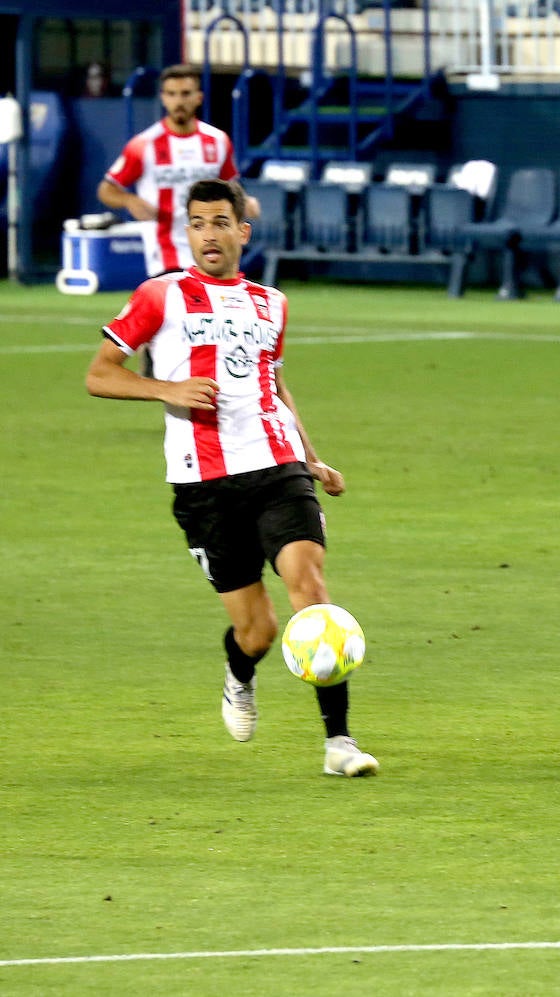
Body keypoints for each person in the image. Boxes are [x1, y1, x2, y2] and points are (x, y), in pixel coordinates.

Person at [85, 178, 378, 778]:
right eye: (198, 223)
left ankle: (340, 742)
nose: (209, 235)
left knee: (310, 589)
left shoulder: (272, 302)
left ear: (243, 230)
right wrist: (167, 389)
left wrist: (313, 459)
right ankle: (239, 674)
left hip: (276, 465)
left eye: (221, 223)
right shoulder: (158, 296)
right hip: (203, 485)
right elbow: (100, 374)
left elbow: (274, 386)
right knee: (258, 630)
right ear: (187, 230)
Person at [97, 64, 260, 279]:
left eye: (185, 94)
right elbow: (107, 189)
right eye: (172, 94)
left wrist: (244, 201)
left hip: (212, 248)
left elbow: (230, 186)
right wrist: (130, 201)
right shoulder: (144, 145)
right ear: (163, 98)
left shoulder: (218, 141)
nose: (179, 101)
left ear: (198, 97)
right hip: (167, 254)